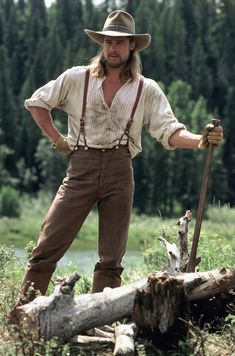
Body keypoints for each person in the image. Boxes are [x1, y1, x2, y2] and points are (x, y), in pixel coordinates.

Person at [17, 10, 223, 304]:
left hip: (120, 170)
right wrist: (58, 141)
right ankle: (24, 314)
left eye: (120, 43)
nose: (113, 48)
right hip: (81, 166)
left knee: (111, 258)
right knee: (47, 246)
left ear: (132, 47)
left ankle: (97, 318)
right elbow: (37, 103)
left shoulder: (146, 89)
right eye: (108, 42)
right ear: (102, 44)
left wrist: (200, 141)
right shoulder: (77, 78)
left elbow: (168, 130)